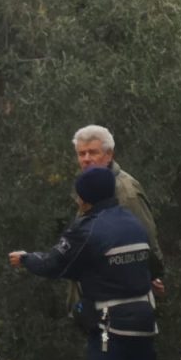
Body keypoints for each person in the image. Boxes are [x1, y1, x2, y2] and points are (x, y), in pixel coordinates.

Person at [8, 166, 158, 360]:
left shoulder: (87, 228)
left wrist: (26, 259)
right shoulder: (133, 223)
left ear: (84, 199)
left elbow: (55, 264)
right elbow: (150, 263)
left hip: (110, 324)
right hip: (145, 320)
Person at [72, 125, 164, 295]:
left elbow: (147, 238)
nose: (86, 159)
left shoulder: (125, 192)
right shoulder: (88, 187)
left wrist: (150, 274)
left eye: (92, 153)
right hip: (92, 292)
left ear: (109, 155)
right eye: (81, 153)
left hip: (120, 296)